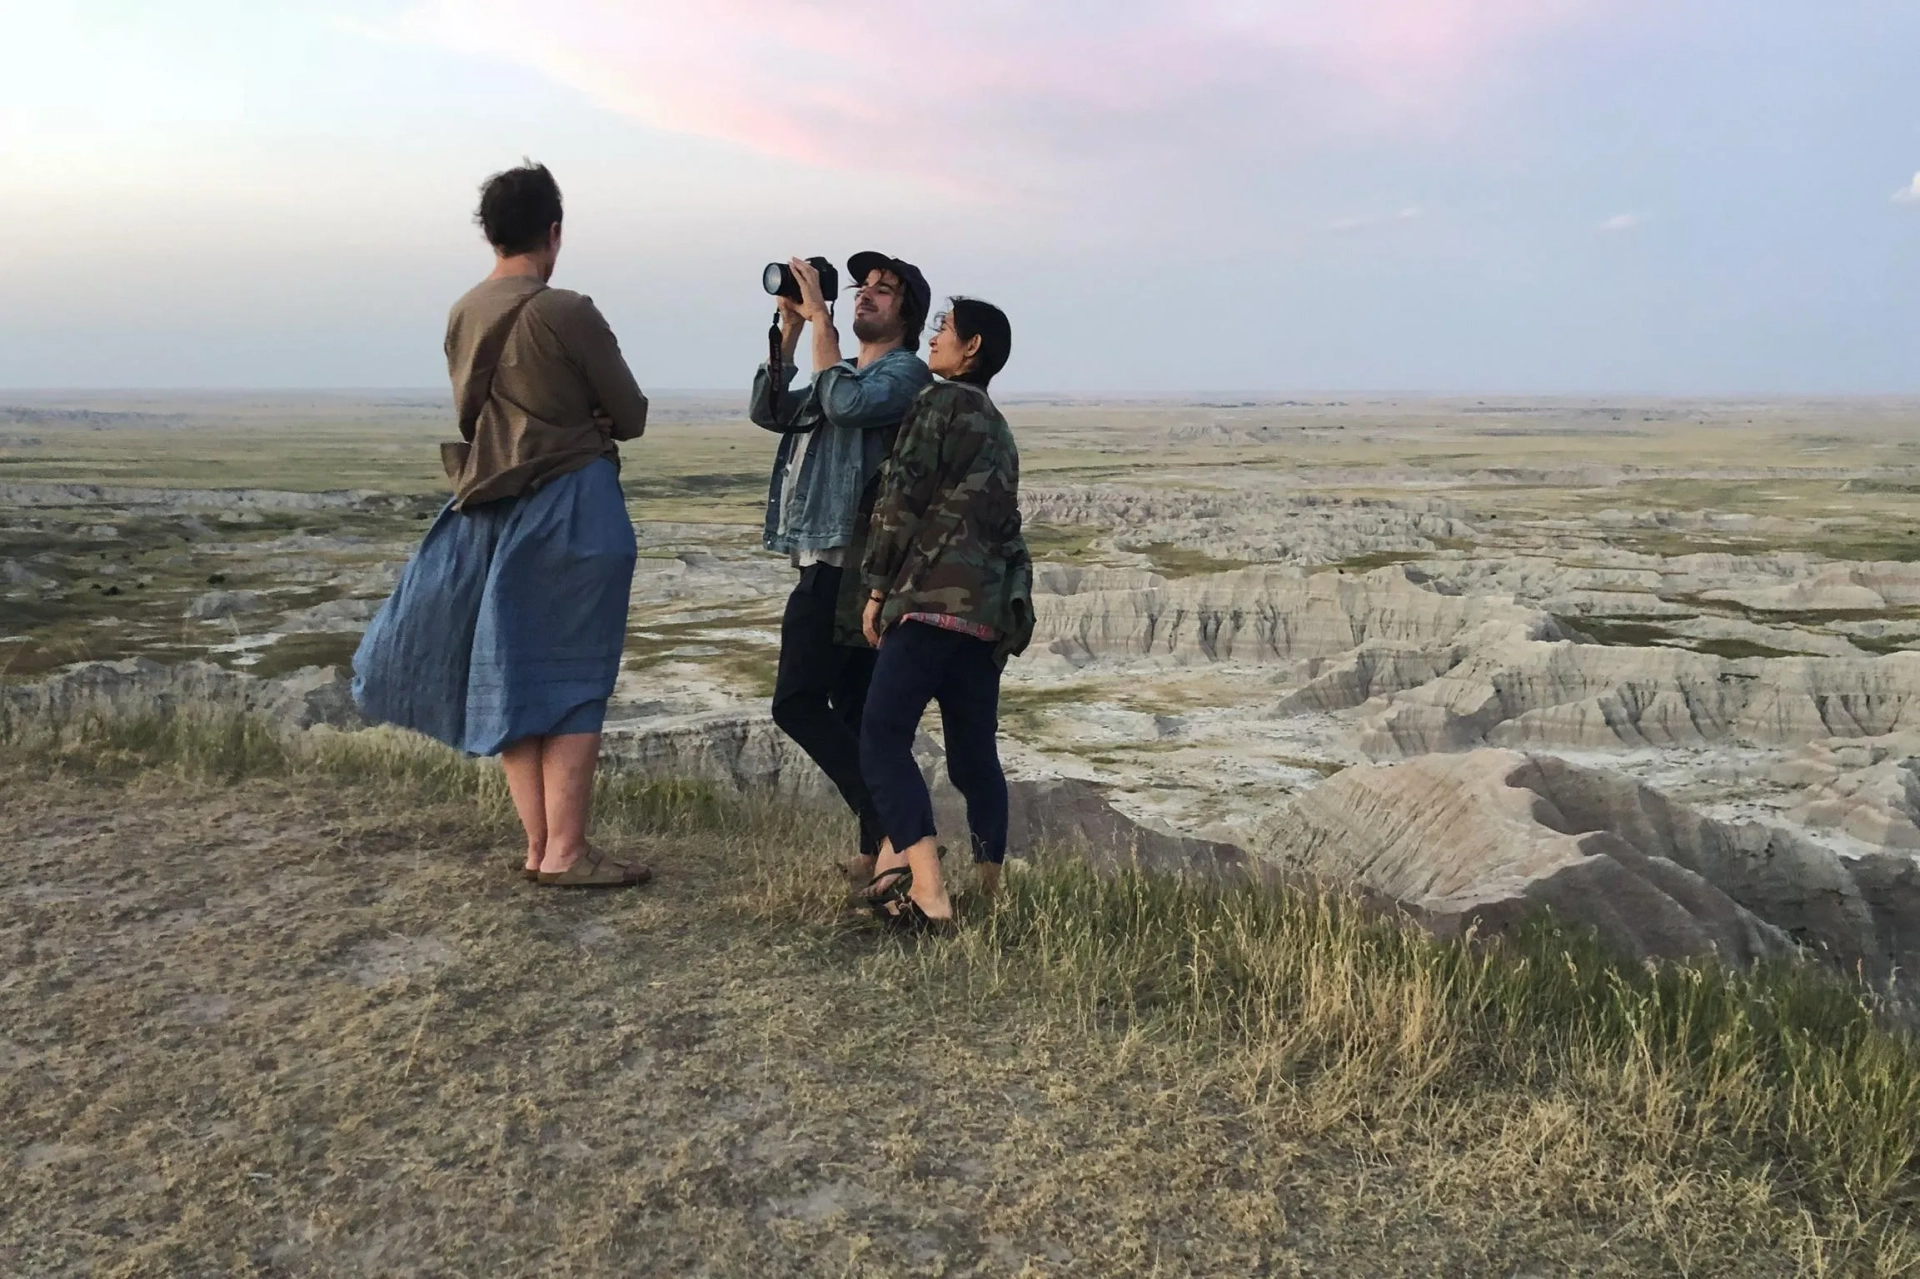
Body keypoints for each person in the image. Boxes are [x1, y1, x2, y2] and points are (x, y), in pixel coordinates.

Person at [352, 161, 651, 888]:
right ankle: (569, 853)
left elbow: (478, 416)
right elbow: (632, 414)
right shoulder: (567, 310)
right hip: (574, 504)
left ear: (490, 234)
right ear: (554, 231)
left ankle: (539, 846)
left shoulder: (463, 312)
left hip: (494, 506)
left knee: (514, 673)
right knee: (576, 675)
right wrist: (587, 417)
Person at [749, 253, 934, 888]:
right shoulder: (843, 372)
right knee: (856, 711)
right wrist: (792, 332)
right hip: (838, 559)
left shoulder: (906, 375)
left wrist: (822, 323)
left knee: (795, 701)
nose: (866, 298)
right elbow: (771, 411)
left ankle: (895, 831)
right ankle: (877, 850)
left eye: (885, 293)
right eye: (863, 289)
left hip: (851, 566)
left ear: (910, 318)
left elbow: (848, 407)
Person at [857, 298, 1033, 927]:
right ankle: (990, 889)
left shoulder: (936, 404)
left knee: (880, 739)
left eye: (944, 331)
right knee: (973, 755)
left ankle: (929, 893)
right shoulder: (998, 425)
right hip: (984, 616)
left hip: (931, 602)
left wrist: (876, 589)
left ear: (973, 348)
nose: (933, 339)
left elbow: (899, 499)